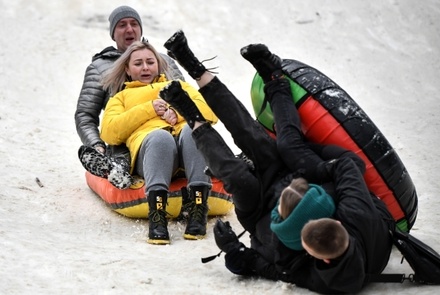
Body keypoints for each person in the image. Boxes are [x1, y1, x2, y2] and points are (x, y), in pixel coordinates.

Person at [158, 30, 394, 293]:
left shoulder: (313, 274)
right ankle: (199, 69)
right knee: (259, 139)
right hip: (300, 174)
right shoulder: (356, 214)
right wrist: (313, 168)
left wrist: (233, 250)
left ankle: (191, 115)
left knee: (237, 177)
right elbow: (349, 166)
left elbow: (266, 268)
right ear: (336, 220)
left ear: (314, 254)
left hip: (259, 209)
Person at [99, 40, 218, 245]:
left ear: (158, 65)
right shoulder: (121, 97)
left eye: (150, 62)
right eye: (138, 63)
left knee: (194, 130)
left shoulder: (180, 87)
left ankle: (199, 209)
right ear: (127, 69)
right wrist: (150, 109)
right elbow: (109, 132)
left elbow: (209, 113)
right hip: (153, 152)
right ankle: (158, 218)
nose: (145, 67)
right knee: (159, 136)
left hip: (187, 151)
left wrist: (179, 112)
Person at [75, 5, 184, 189]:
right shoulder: (100, 68)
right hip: (125, 139)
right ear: (113, 34)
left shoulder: (164, 62)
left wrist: (174, 113)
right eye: (122, 25)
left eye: (134, 24)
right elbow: (85, 115)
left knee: (194, 135)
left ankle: (223, 163)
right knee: (122, 148)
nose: (129, 29)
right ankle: (115, 168)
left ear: (140, 29)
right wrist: (96, 144)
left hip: (169, 129)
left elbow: (187, 97)